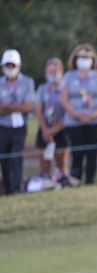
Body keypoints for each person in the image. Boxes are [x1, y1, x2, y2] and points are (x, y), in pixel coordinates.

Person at [60, 44, 97, 185]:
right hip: (74, 121)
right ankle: (75, 181)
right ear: (75, 59)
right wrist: (76, 114)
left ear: (93, 59)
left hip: (96, 120)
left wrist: (94, 115)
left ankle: (89, 182)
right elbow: (64, 99)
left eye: (87, 57)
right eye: (81, 57)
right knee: (77, 153)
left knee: (92, 153)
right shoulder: (69, 76)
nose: (84, 60)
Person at [0, 49, 35, 195]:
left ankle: (16, 188)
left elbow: (28, 107)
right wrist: (17, 107)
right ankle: (8, 189)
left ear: (19, 66)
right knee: (4, 158)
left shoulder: (27, 82)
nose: (10, 68)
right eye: (7, 65)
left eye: (12, 65)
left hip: (20, 125)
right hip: (3, 126)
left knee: (16, 156)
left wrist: (8, 107)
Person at [35, 58, 69, 177]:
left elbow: (68, 113)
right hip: (45, 129)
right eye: (50, 71)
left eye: (55, 71)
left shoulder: (66, 89)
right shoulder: (42, 88)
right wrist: (45, 129)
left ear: (61, 71)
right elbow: (39, 111)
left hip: (61, 129)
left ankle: (63, 183)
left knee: (62, 164)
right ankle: (45, 183)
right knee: (44, 162)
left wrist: (55, 130)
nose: (52, 74)